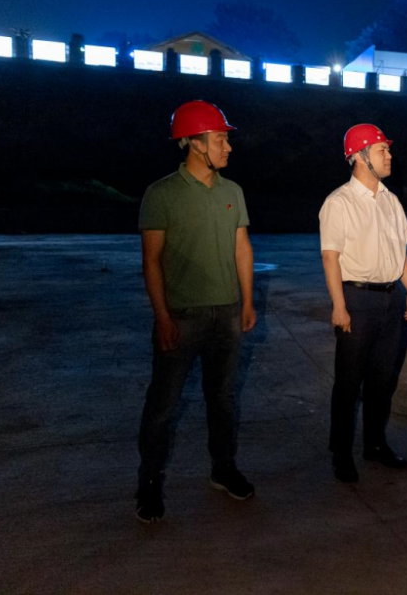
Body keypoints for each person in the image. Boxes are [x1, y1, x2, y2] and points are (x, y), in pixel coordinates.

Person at [135, 100, 257, 524]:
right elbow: (151, 260)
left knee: (222, 399)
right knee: (163, 405)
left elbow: (242, 248)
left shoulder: (232, 192)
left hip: (227, 313)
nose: (228, 146)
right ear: (195, 143)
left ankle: (223, 468)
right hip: (182, 316)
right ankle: (149, 481)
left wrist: (247, 301)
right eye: (220, 139)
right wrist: (163, 317)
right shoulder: (162, 194)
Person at [319, 124, 407, 483]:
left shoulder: (391, 200)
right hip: (357, 301)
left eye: (387, 150)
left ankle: (375, 444)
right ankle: (341, 452)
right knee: (348, 383)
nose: (389, 156)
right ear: (360, 157)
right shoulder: (339, 202)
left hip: (392, 299)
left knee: (382, 380)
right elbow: (330, 257)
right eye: (381, 150)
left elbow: (400, 251)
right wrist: (339, 305)